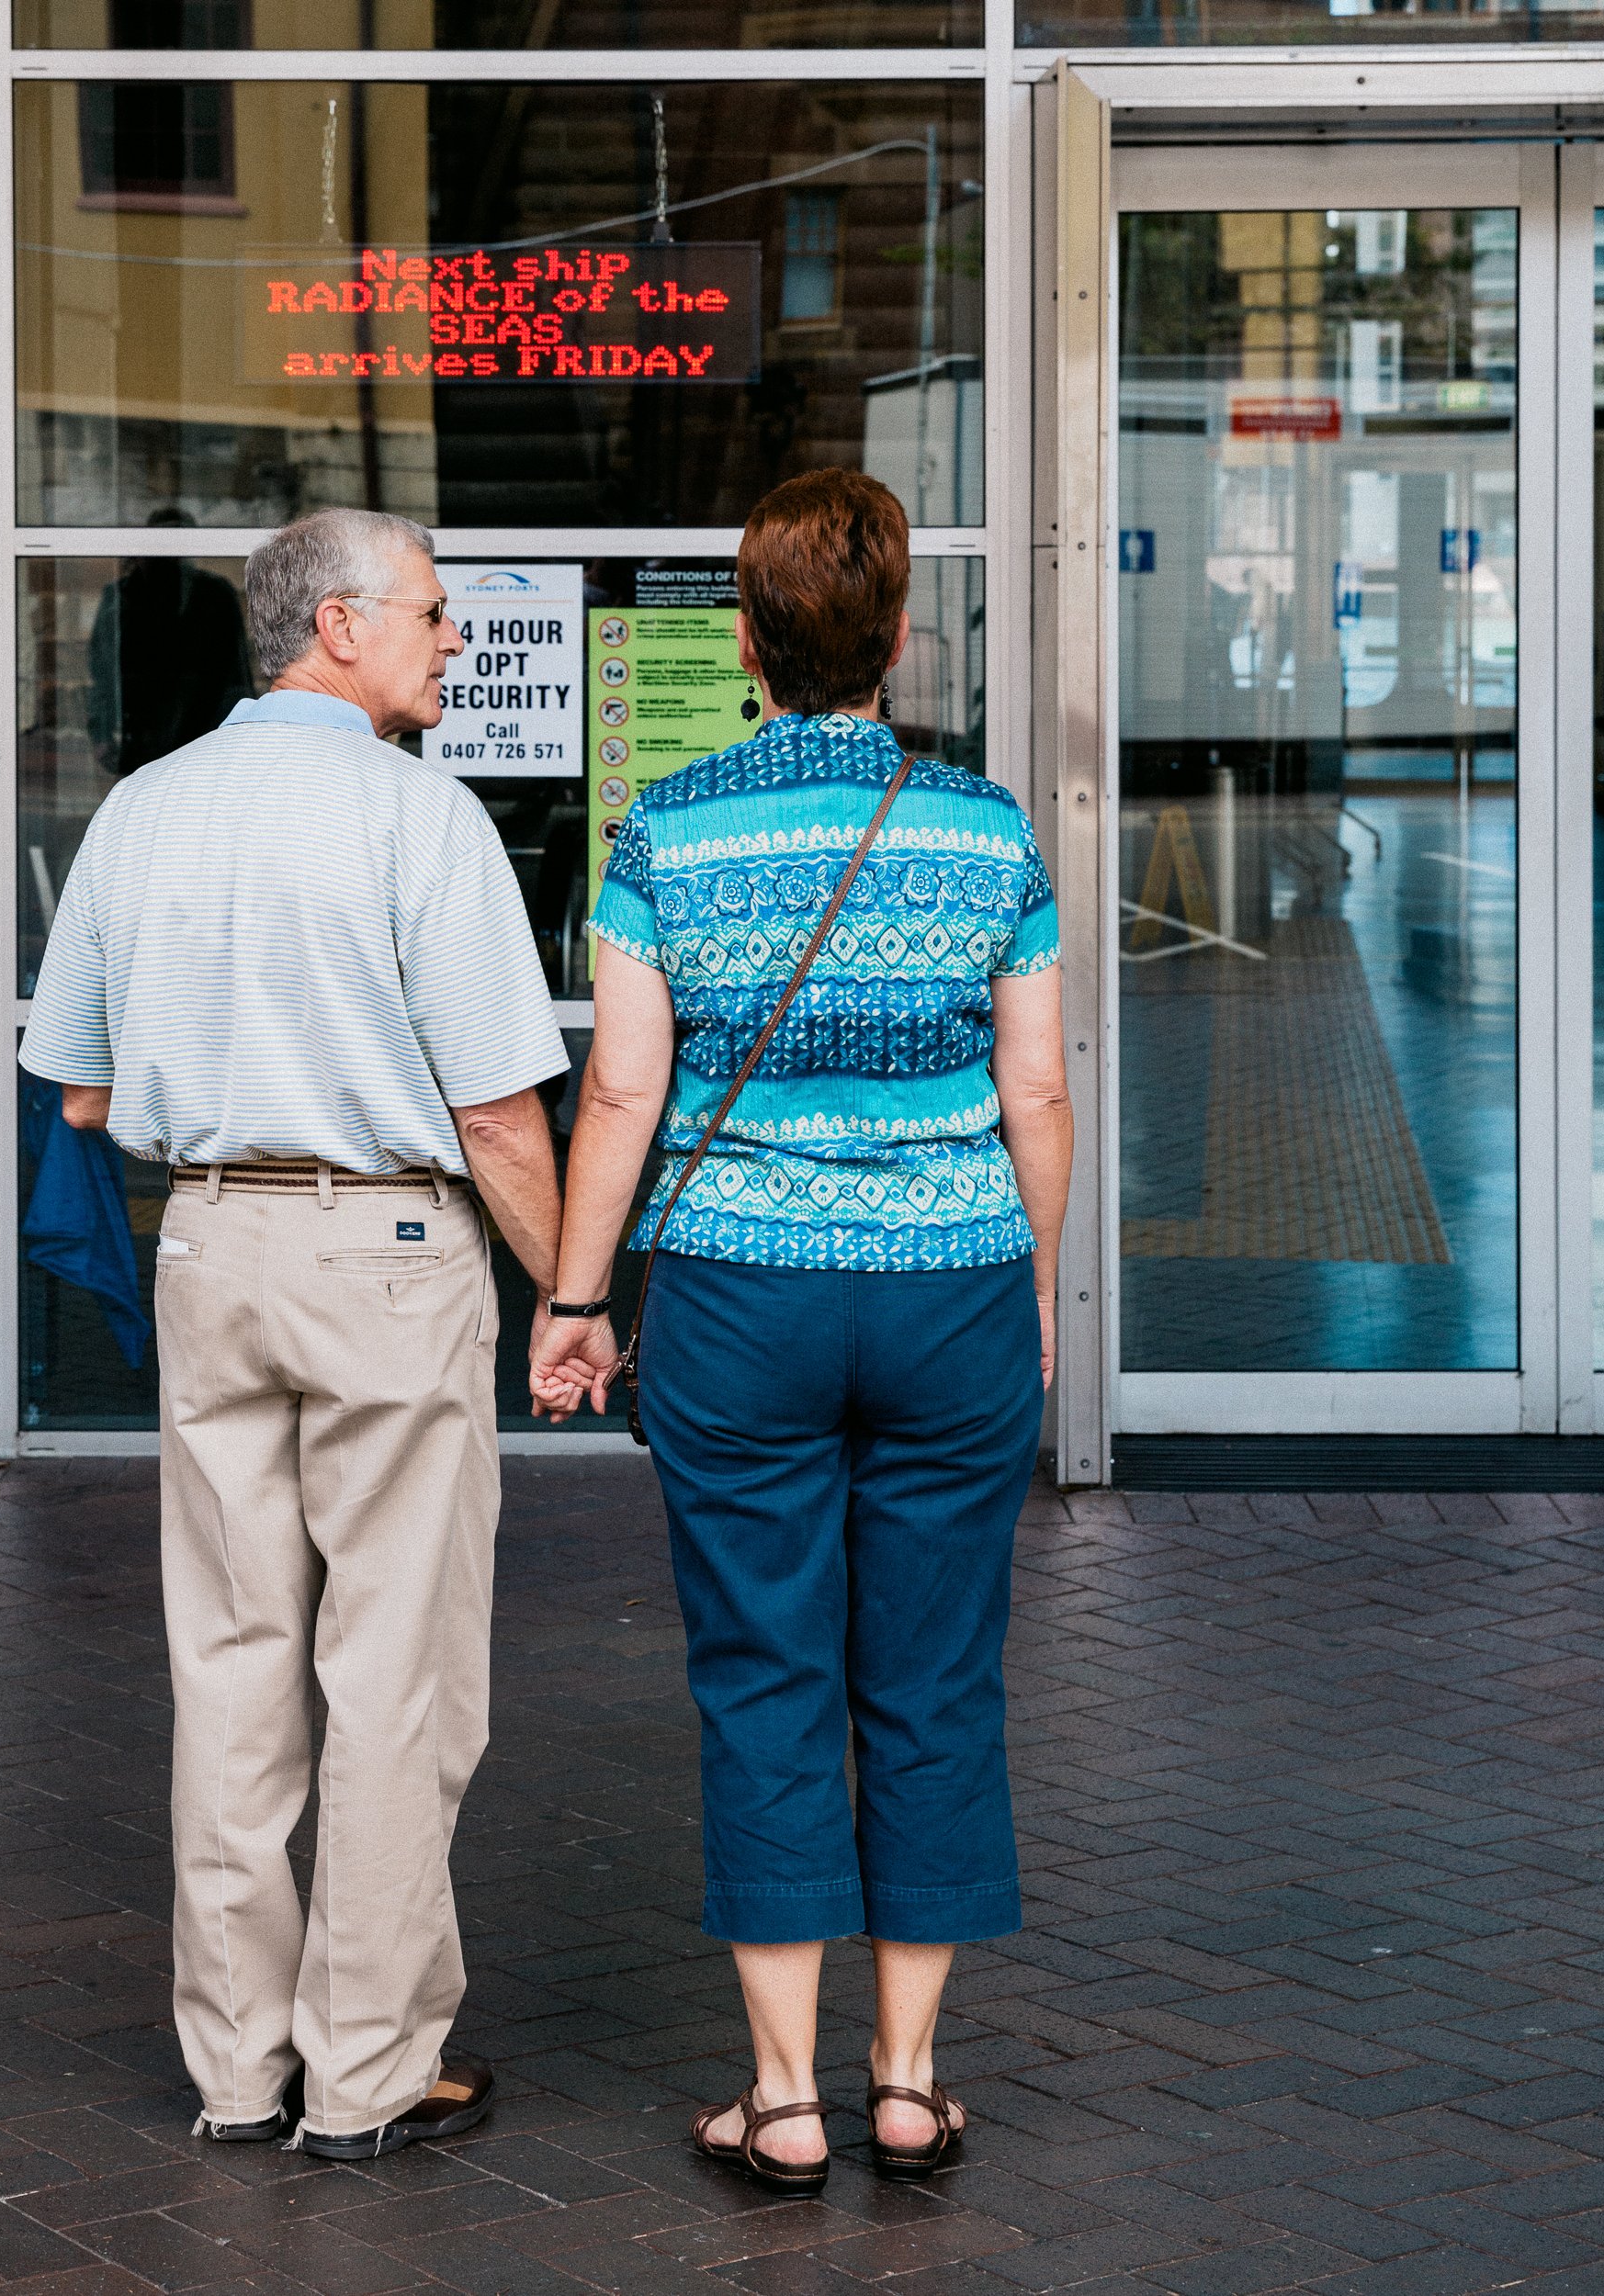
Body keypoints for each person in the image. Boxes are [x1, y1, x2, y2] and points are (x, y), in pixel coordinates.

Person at [531, 468, 1073, 2191]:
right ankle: (910, 2081)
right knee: (932, 1679)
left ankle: (782, 2100)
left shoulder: (667, 833)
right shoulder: (988, 829)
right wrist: (1033, 1289)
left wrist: (572, 1298)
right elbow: (1038, 1087)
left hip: (742, 1298)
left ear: (746, 641)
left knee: (766, 1677)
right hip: (953, 1288)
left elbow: (622, 1085)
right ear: (901, 638)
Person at [19, 507, 570, 2162]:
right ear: (336, 625)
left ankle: (236, 2072)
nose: (454, 641)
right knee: (395, 1681)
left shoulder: (142, 809)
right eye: (434, 615)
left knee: (234, 1666)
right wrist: (575, 1298)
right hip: (390, 1250)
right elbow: (497, 1116)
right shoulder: (425, 819)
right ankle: (369, 2074)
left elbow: (83, 1080)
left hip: (208, 1238)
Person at [87, 509, 254, 777]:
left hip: (205, 731)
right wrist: (101, 733)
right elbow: (101, 672)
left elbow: (237, 673)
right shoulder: (121, 596)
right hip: (140, 734)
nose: (171, 557)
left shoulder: (216, 594)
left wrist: (241, 733)